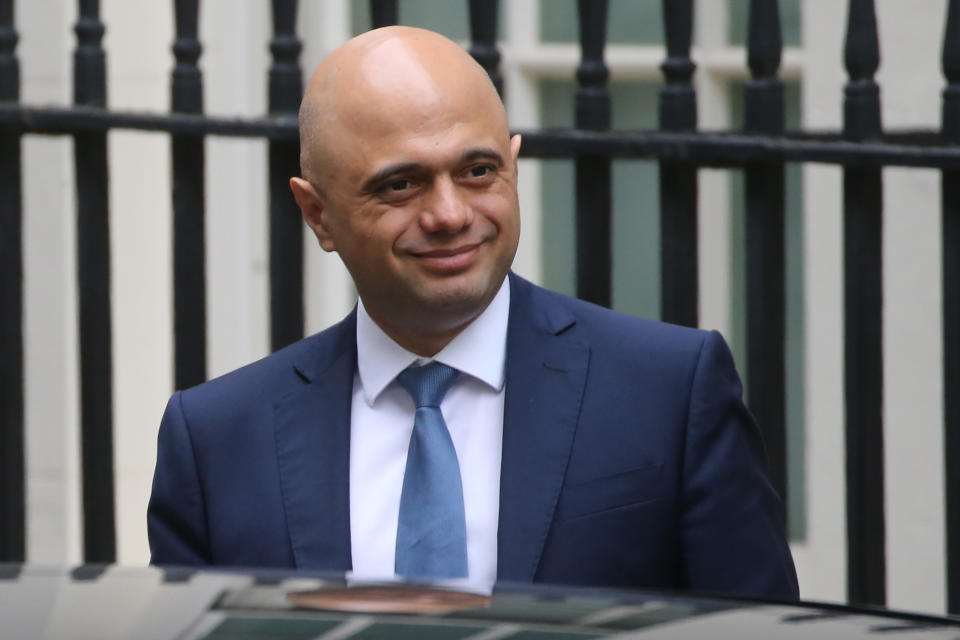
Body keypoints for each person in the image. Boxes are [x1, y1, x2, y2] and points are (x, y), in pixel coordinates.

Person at [148, 26, 799, 598]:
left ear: (513, 166)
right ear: (318, 213)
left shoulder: (669, 391)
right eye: (400, 183)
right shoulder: (217, 443)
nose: (450, 215)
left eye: (478, 170)